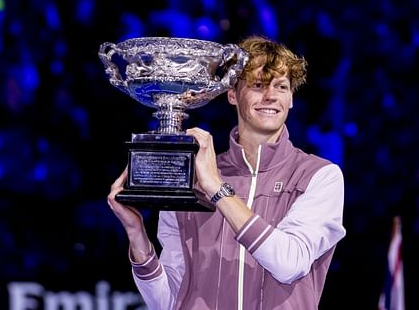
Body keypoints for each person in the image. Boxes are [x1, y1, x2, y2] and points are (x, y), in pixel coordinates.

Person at [107, 35, 346, 310]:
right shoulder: (192, 180)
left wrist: (217, 189)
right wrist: (137, 235)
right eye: (258, 85)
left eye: (281, 86)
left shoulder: (318, 176)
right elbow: (168, 301)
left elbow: (289, 263)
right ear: (232, 94)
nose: (271, 96)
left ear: (291, 99)